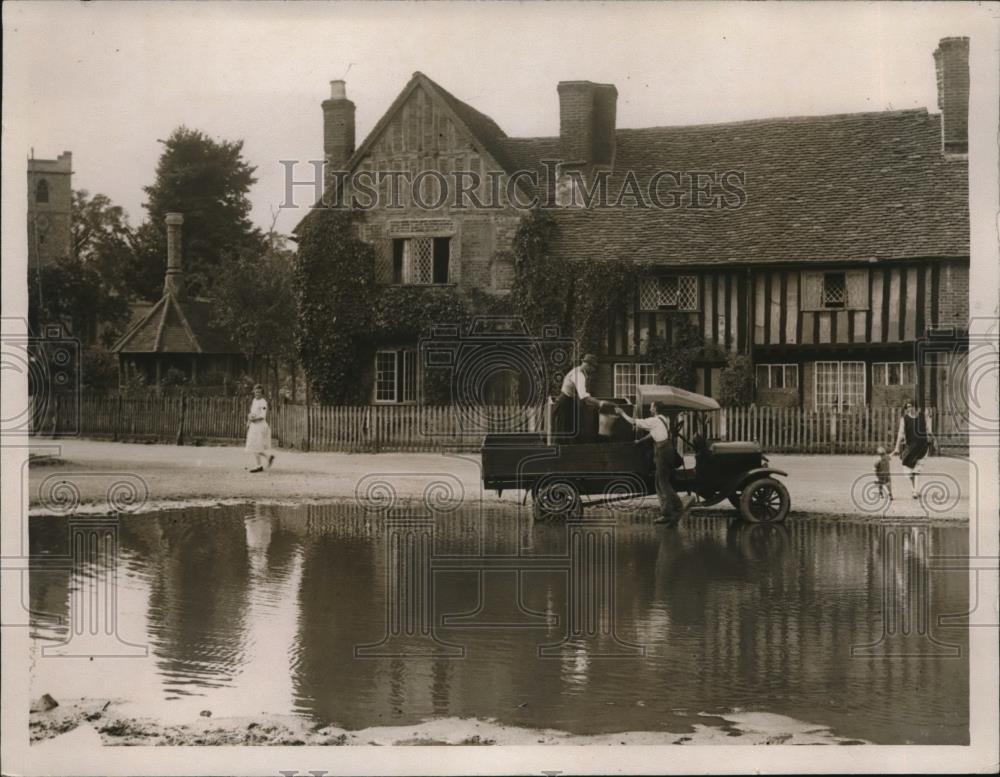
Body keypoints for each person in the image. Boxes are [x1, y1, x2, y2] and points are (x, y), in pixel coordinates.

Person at [617, 401, 696, 524]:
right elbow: (654, 433)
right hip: (668, 448)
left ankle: (669, 512)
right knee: (662, 481)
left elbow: (634, 422)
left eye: (651, 407)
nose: (650, 409)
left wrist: (622, 413)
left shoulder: (654, 421)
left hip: (662, 451)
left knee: (661, 482)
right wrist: (641, 441)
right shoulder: (663, 419)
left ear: (655, 409)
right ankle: (675, 506)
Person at [552, 353, 608, 442]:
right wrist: (600, 403)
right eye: (593, 367)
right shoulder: (579, 375)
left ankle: (569, 451)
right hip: (565, 403)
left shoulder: (579, 371)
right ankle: (563, 453)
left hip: (569, 401)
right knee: (563, 432)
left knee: (570, 430)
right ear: (588, 365)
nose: (593, 370)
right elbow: (583, 396)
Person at [891, 400, 935, 499]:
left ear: (916, 407)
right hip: (910, 447)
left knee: (917, 470)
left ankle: (915, 491)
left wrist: (930, 435)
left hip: (922, 446)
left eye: (911, 406)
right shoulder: (904, 419)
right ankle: (913, 488)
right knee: (908, 471)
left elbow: (929, 427)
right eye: (907, 407)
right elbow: (900, 433)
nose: (910, 408)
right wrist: (897, 448)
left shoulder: (922, 416)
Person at [245, 384, 274, 473]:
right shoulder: (254, 400)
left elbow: (262, 416)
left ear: (262, 393)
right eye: (256, 392)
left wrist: (253, 419)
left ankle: (259, 466)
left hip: (260, 426)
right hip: (254, 426)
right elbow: (252, 412)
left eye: (259, 392)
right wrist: (249, 420)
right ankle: (268, 458)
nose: (257, 393)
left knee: (256, 445)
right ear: (254, 392)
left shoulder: (263, 402)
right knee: (254, 446)